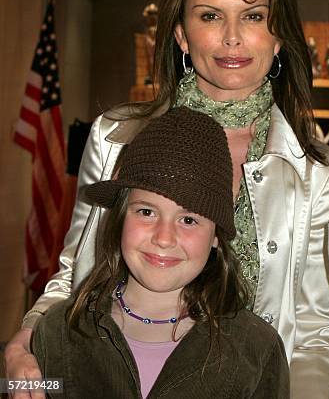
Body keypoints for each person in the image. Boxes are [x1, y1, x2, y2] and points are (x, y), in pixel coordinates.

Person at [5, 0, 329, 398]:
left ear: (278, 36)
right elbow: (76, 273)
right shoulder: (115, 135)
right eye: (210, 16)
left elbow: (313, 333)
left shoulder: (318, 171)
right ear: (182, 34)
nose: (231, 37)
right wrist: (28, 339)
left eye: (253, 17)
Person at [32, 107, 289, 398]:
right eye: (146, 212)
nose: (164, 238)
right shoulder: (58, 332)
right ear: (120, 219)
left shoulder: (256, 350)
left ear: (216, 236)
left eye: (189, 220)